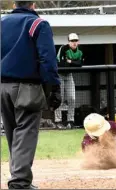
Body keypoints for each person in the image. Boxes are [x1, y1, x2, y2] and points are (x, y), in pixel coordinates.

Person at [1, 1, 61, 189]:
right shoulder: (37, 24)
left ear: (14, 3)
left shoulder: (2, 22)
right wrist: (54, 86)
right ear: (33, 4)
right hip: (27, 86)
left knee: (13, 133)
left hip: (2, 86)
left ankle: (18, 176)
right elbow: (47, 58)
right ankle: (19, 181)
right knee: (26, 132)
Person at [54, 33, 84, 129]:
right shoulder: (64, 48)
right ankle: (58, 121)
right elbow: (62, 64)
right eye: (72, 41)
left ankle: (70, 120)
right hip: (60, 75)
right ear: (69, 42)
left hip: (69, 75)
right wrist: (72, 63)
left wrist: (70, 61)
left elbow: (80, 63)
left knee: (72, 98)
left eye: (76, 40)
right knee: (60, 98)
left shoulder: (79, 51)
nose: (74, 43)